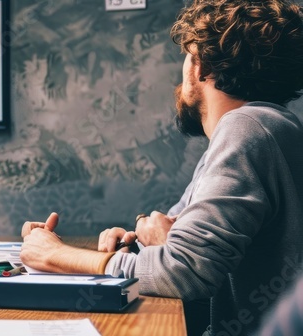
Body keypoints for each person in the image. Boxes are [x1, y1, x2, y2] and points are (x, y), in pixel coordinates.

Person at [18, 0, 303, 334]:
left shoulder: (247, 128)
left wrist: (56, 255)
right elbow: (170, 240)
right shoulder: (269, 129)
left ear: (202, 66)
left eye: (187, 56)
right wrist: (135, 241)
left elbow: (182, 272)